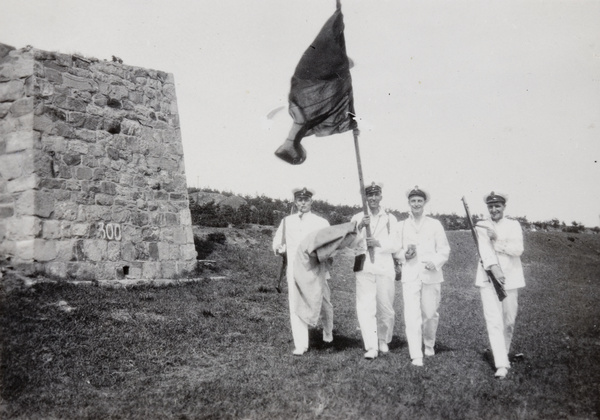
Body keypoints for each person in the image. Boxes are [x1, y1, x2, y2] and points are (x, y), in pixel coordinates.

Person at [272, 187, 331, 355]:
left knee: (320, 302)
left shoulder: (320, 222)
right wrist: (278, 248)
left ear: (311, 201)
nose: (303, 203)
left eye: (306, 199)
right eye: (299, 199)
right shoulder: (287, 221)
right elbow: (277, 242)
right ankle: (301, 344)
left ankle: (328, 333)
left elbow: (328, 245)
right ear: (295, 201)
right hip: (294, 269)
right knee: (295, 304)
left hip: (314, 269)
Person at [475, 191, 525, 379]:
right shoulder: (482, 226)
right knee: (493, 321)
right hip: (488, 278)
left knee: (508, 321)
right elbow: (483, 250)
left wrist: (497, 239)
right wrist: (493, 267)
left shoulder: (513, 225)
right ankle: (501, 363)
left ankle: (503, 353)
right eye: (491, 207)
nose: (494, 209)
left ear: (504, 207)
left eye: (497, 206)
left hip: (511, 279)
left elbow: (518, 249)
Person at [398, 186, 450, 366]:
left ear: (424, 203)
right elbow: (396, 250)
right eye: (413, 201)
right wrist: (403, 255)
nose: (416, 204)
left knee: (429, 313)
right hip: (410, 274)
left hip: (431, 274)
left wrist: (434, 262)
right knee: (411, 314)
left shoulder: (435, 224)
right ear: (409, 203)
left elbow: (444, 250)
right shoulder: (402, 225)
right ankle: (416, 354)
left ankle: (429, 344)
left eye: (419, 201)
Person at [351, 182, 401, 359]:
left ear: (380, 196)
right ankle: (371, 345)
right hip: (364, 266)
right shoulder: (358, 217)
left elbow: (397, 244)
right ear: (365, 197)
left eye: (375, 195)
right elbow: (351, 243)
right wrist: (359, 229)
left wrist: (379, 243)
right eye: (369, 195)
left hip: (384, 265)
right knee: (365, 305)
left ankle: (383, 340)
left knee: (385, 306)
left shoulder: (390, 218)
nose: (372, 198)